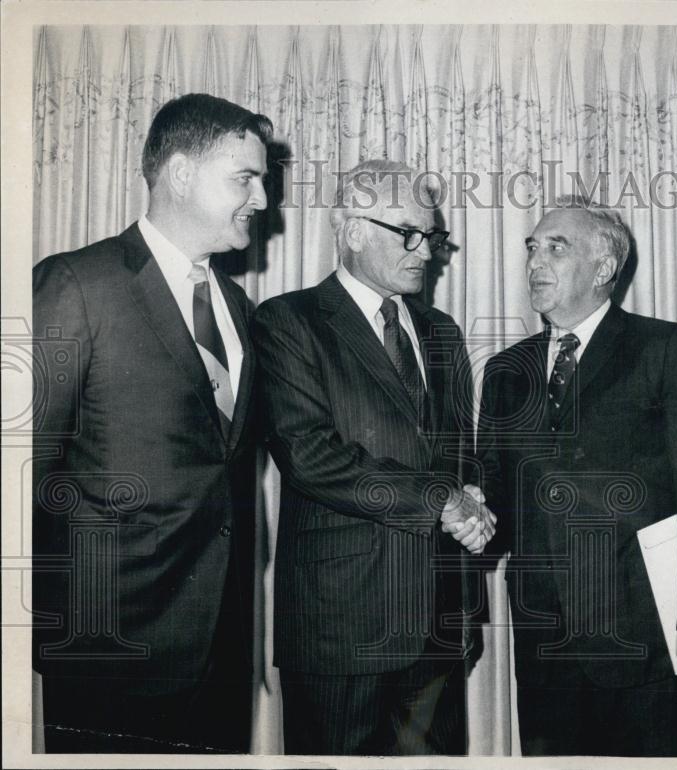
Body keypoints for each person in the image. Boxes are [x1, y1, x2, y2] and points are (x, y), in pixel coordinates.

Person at [32, 93, 272, 752]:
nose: (262, 200)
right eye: (244, 178)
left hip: (221, 651)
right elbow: (22, 472)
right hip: (110, 653)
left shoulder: (238, 306)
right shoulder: (78, 286)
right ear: (182, 174)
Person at [476, 196, 677, 756]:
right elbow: (499, 505)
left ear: (603, 269)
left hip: (648, 640)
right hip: (545, 647)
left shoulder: (666, 349)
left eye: (556, 247)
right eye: (532, 247)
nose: (535, 261)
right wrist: (469, 507)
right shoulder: (506, 372)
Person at [251, 160, 493, 755]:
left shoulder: (442, 332)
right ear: (352, 228)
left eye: (430, 236)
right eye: (406, 232)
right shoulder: (288, 322)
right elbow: (312, 457)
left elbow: (461, 450)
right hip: (342, 628)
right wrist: (442, 499)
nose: (426, 251)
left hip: (437, 623)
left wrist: (474, 499)